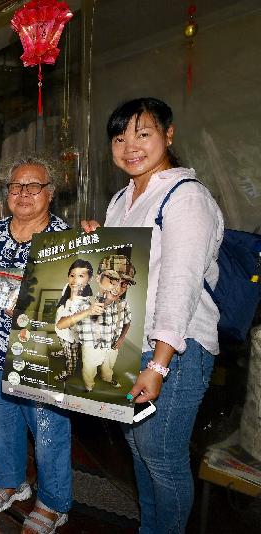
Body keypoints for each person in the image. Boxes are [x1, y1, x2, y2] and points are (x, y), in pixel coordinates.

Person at [82, 97, 223, 533]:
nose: (130, 147)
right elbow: (126, 276)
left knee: (161, 455)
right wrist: (97, 244)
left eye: (143, 134)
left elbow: (178, 284)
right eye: (120, 137)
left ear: (169, 135)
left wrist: (159, 364)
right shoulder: (123, 199)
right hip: (130, 343)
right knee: (139, 450)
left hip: (175, 349)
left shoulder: (186, 197)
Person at [0, 156, 71, 534]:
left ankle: (54, 502)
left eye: (33, 186)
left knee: (47, 429)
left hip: (40, 355)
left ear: (50, 193)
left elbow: (76, 302)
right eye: (15, 186)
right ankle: (10, 480)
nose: (23, 193)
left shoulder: (66, 240)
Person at [56, 255, 134, 392]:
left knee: (108, 367)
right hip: (91, 347)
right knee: (89, 369)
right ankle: (89, 386)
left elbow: (127, 322)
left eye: (124, 283)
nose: (118, 287)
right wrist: (88, 311)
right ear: (99, 278)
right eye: (113, 280)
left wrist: (121, 339)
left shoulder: (123, 304)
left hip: (112, 346)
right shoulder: (84, 301)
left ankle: (107, 378)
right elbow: (61, 325)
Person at [52, 259, 93, 382]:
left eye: (81, 276)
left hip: (72, 338)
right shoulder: (67, 287)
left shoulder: (85, 303)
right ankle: (64, 351)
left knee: (72, 358)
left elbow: (63, 325)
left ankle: (68, 372)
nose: (75, 280)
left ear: (89, 279)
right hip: (62, 334)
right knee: (63, 344)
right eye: (72, 275)